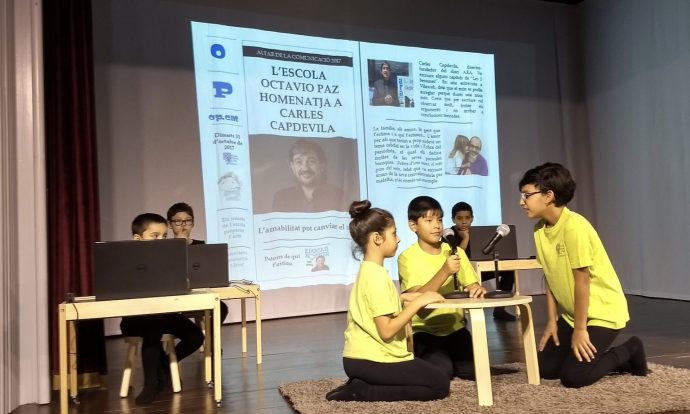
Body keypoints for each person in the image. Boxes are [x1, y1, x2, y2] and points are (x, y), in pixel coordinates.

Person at [519, 162, 647, 388]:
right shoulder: (539, 230)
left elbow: (583, 282)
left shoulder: (574, 227)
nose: (522, 202)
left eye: (526, 195)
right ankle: (591, 356)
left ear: (548, 196)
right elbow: (550, 276)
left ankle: (630, 349)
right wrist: (552, 321)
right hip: (573, 314)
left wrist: (580, 330)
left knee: (574, 377)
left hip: (602, 312)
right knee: (546, 369)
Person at [326, 200, 449, 402]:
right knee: (440, 384)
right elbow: (386, 330)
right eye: (394, 234)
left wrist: (402, 299)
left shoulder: (369, 270)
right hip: (372, 359)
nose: (398, 239)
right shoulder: (376, 277)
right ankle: (362, 391)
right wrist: (418, 303)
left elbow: (373, 306)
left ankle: (361, 384)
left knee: (431, 375)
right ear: (377, 238)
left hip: (358, 359)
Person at [397, 196, 486, 380]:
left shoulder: (455, 251)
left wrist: (477, 289)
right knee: (441, 372)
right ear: (413, 226)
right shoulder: (407, 257)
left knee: (475, 371)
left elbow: (472, 285)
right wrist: (445, 271)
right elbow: (416, 298)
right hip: (424, 330)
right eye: (429, 220)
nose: (436, 226)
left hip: (455, 328)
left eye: (439, 220)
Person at [119, 213, 204, 405]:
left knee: (196, 336)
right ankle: (150, 384)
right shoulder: (126, 260)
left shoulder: (168, 259)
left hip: (164, 314)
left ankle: (163, 365)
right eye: (154, 236)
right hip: (135, 319)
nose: (161, 240)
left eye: (164, 236)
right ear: (138, 239)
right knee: (152, 327)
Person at [450, 201, 517, 321]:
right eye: (459, 218)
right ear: (453, 219)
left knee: (508, 272)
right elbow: (457, 256)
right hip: (461, 274)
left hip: (477, 269)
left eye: (467, 218)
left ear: (472, 218)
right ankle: (462, 314)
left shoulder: (477, 232)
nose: (464, 221)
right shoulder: (449, 234)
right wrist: (465, 238)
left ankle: (500, 310)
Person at [166, 202, 229, 323]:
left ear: (193, 223)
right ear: (170, 224)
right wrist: (180, 244)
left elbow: (204, 271)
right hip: (176, 296)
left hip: (197, 292)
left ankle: (209, 335)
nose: (183, 225)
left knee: (221, 308)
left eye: (188, 220)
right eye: (178, 221)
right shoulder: (167, 246)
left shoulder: (200, 245)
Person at [272, 139, 345, 213]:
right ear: (292, 167)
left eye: (311, 161)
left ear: (322, 166)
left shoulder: (337, 195)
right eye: (299, 162)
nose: (305, 168)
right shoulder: (282, 198)